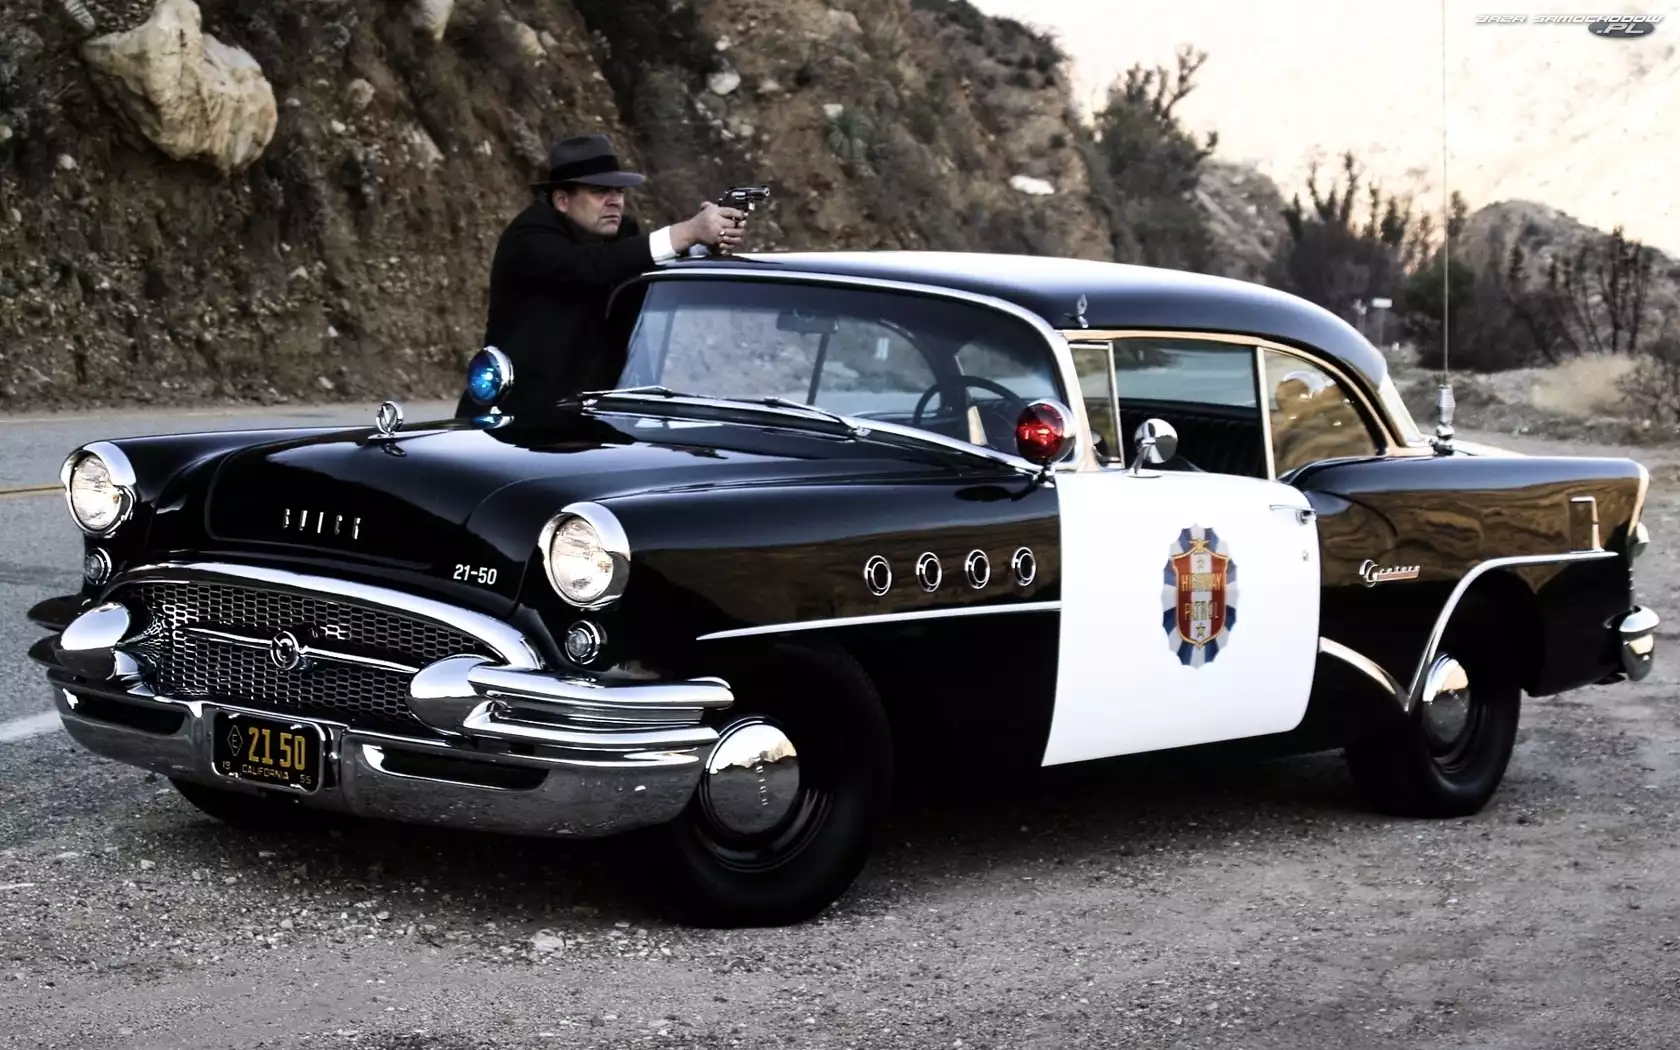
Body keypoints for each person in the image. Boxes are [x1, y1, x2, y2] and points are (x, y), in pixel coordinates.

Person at [454, 133, 747, 418]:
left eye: (619, 191)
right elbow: (591, 266)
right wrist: (689, 231)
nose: (614, 200)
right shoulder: (530, 236)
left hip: (595, 416)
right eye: (599, 191)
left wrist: (705, 242)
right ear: (562, 200)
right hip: (511, 420)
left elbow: (645, 266)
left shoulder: (621, 236)